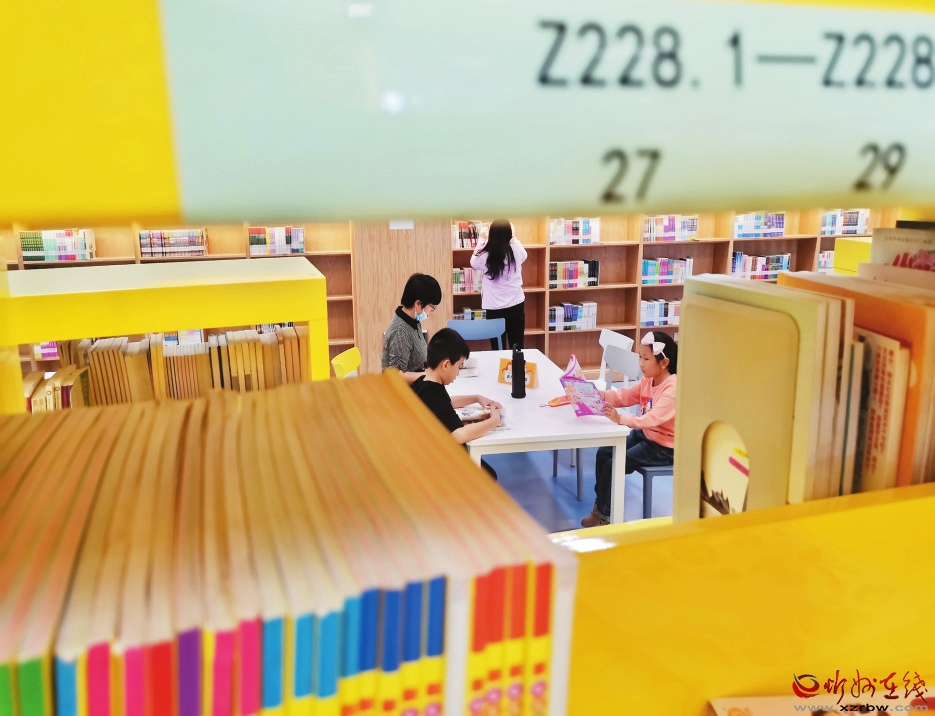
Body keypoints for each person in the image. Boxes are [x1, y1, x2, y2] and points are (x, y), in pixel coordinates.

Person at [581, 331, 678, 527]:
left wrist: (621, 419)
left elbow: (651, 419)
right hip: (646, 436)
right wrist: (599, 394)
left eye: (646, 358)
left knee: (613, 465)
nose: (641, 363)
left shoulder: (672, 389)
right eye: (639, 357)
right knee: (604, 453)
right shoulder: (648, 380)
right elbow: (624, 396)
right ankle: (601, 508)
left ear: (664, 362)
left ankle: (606, 519)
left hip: (664, 447)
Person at [410, 328, 502, 480]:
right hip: (440, 462)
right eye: (459, 367)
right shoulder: (433, 394)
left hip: (424, 455)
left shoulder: (423, 382)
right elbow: (459, 435)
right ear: (446, 364)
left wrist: (476, 398)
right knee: (489, 476)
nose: (458, 373)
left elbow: (446, 403)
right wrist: (494, 420)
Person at [470, 219, 527, 350]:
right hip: (516, 306)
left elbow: (473, 262)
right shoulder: (516, 249)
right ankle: (517, 364)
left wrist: (482, 238)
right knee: (517, 347)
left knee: (497, 349)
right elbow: (524, 255)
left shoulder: (485, 254)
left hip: (494, 308)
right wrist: (513, 237)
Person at [382, 273, 442, 384]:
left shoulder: (413, 321)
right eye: (432, 307)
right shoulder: (400, 331)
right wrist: (430, 374)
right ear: (418, 304)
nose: (431, 311)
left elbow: (416, 354)